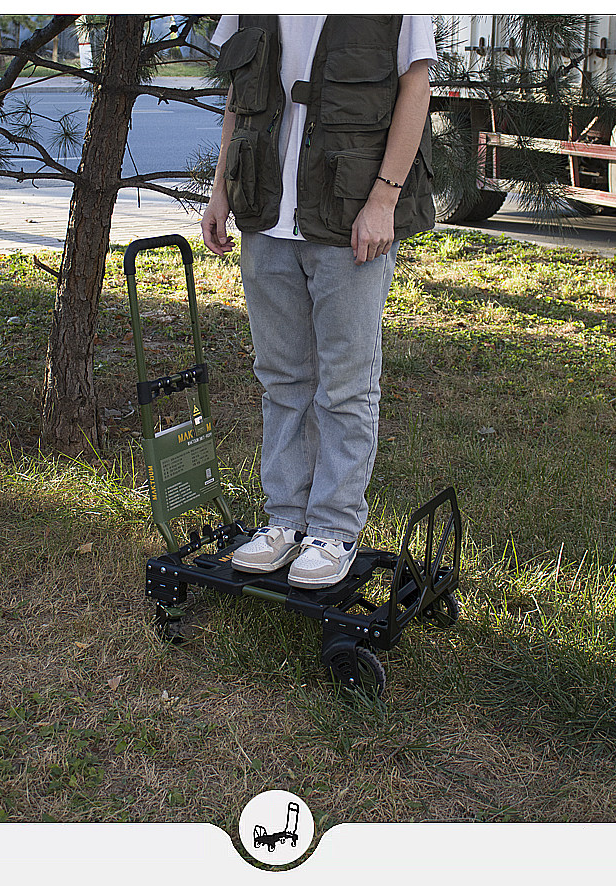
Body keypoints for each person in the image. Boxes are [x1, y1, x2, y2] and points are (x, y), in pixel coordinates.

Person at [201, 15, 436, 590]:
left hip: (348, 216)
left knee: (345, 386)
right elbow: (240, 96)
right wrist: (220, 187)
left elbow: (416, 89)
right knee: (282, 379)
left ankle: (333, 529)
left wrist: (384, 201)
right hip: (265, 215)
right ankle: (284, 521)